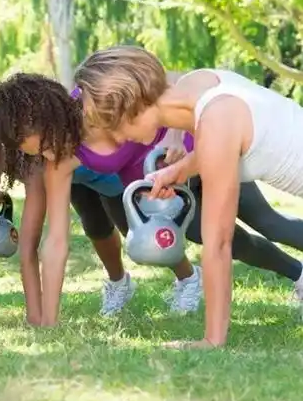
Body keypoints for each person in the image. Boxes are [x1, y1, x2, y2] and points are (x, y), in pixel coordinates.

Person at [0, 73, 303, 328]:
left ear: (51, 118)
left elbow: (173, 82)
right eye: (36, 154)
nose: (47, 155)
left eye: (44, 144)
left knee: (268, 222)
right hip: (165, 195)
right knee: (230, 243)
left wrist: (178, 138)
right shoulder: (60, 160)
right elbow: (56, 242)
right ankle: (300, 274)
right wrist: (49, 323)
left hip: (205, 148)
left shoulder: (98, 94)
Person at [74, 45, 303, 348]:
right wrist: (181, 169)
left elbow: (219, 243)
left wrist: (211, 340)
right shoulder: (199, 84)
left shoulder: (216, 120)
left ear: (133, 104)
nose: (117, 139)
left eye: (113, 126)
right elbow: (229, 143)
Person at [0, 107, 138, 320]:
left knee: (136, 236)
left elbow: (28, 249)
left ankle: (180, 278)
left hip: (110, 175)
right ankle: (120, 284)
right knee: (96, 227)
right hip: (75, 178)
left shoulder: (31, 162)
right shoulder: (1, 142)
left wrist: (35, 319)